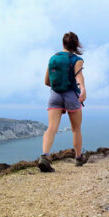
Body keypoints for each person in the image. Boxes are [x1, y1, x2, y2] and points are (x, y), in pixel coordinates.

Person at [37, 32, 87, 172]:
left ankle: (45, 157)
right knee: (76, 129)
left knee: (52, 127)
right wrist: (82, 89)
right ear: (76, 44)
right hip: (71, 95)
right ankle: (78, 158)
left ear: (63, 43)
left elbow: (47, 81)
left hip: (54, 95)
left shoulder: (53, 58)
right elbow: (79, 76)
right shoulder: (76, 60)